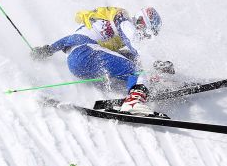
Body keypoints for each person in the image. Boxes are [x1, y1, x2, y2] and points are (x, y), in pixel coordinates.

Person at [32, 6, 172, 116]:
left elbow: (69, 39)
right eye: (147, 33)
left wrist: (48, 50)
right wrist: (154, 63)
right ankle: (134, 102)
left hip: (75, 64)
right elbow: (135, 45)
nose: (146, 37)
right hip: (86, 52)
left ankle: (142, 88)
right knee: (136, 70)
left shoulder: (100, 27)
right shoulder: (123, 19)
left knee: (130, 63)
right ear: (141, 22)